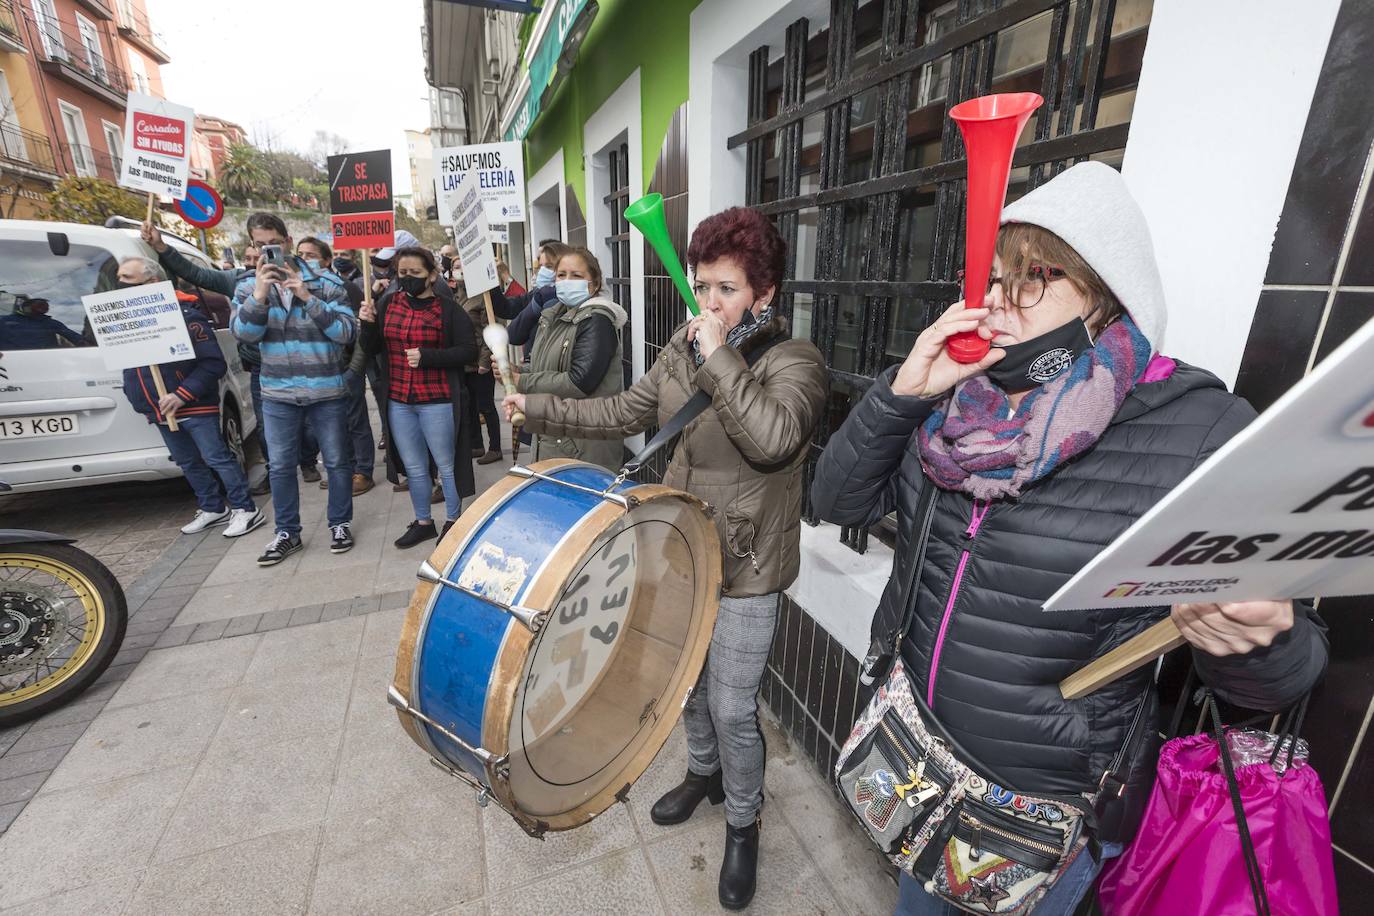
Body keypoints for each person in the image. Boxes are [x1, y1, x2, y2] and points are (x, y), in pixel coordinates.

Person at [808, 162, 1329, 916]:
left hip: (1039, 819)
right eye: (992, 277)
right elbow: (836, 498)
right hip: (918, 764)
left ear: (1105, 295)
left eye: (1029, 277)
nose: (996, 302)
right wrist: (901, 395)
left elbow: (1280, 677)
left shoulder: (1196, 432)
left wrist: (1254, 631)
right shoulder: (955, 403)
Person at [503, 208, 827, 909]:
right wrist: (536, 407)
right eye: (703, 285)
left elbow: (773, 440)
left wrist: (720, 357)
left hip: (746, 564)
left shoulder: (794, 361)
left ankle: (743, 821)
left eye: (727, 290)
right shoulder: (683, 349)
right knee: (684, 684)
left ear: (763, 294)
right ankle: (703, 774)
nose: (708, 303)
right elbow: (624, 411)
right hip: (683, 551)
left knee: (734, 705)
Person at [232, 213, 359, 565]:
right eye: (259, 245)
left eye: (272, 241)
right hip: (277, 394)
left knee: (336, 461)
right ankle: (287, 532)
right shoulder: (246, 286)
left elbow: (347, 333)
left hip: (325, 390)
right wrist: (259, 295)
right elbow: (243, 334)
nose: (266, 250)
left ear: (287, 240)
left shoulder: (326, 282)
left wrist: (305, 295)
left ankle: (340, 523)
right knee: (281, 466)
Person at [115, 257, 264, 538]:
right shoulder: (129, 323)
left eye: (128, 278)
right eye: (119, 277)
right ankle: (212, 507)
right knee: (187, 462)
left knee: (216, 457)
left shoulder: (187, 317)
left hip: (194, 405)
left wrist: (182, 394)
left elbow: (213, 363)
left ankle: (245, 509)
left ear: (153, 283)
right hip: (158, 408)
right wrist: (137, 396)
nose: (121, 284)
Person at [358, 246, 478, 547]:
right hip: (399, 399)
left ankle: (453, 521)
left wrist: (428, 357)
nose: (408, 279)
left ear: (432, 275)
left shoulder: (449, 310)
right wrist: (367, 323)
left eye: (416, 273)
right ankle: (423, 521)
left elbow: (468, 352)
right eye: (403, 274)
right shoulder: (387, 304)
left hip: (437, 400)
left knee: (445, 464)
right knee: (413, 468)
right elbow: (371, 348)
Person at [495, 247, 626, 470]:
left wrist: (522, 381)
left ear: (593, 284)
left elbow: (579, 381)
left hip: (582, 442)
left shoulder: (597, 321)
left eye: (576, 275)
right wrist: (516, 371)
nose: (567, 281)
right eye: (561, 275)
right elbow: (545, 367)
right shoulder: (552, 317)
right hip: (553, 435)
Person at [298, 236, 375, 495]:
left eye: (311, 255)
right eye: (301, 254)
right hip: (320, 375)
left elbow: (360, 332)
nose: (305, 260)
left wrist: (354, 371)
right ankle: (343, 469)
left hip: (346, 369)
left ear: (327, 260)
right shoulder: (298, 289)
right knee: (333, 425)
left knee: (356, 422)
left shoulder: (345, 287)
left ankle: (363, 471)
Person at [490, 239, 568, 362]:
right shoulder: (536, 295)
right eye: (540, 265)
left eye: (548, 266)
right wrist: (491, 281)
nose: (541, 271)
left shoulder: (568, 301)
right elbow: (507, 309)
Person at [462, 293, 504, 465]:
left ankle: (495, 448)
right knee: (470, 405)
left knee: (486, 406)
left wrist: (485, 360)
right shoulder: (458, 296)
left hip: (480, 362)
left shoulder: (483, 297)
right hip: (465, 362)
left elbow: (491, 329)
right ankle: (476, 444)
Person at [0, 296, 87, 349]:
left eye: (45, 308)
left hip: (46, 359)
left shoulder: (50, 323)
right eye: (39, 306)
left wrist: (87, 345)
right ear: (26, 306)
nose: (43, 309)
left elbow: (73, 336)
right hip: (9, 362)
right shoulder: (5, 321)